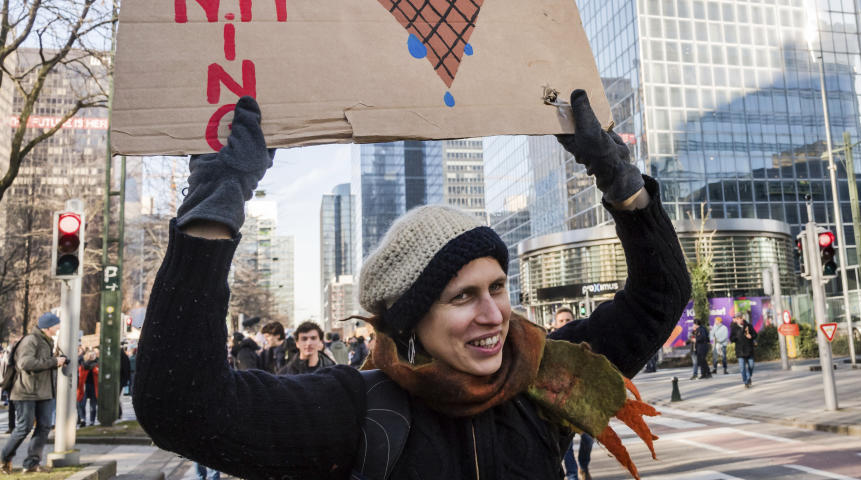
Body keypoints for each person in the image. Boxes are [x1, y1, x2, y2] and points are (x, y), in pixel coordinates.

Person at [132, 92, 690, 479]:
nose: (494, 315)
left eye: (496, 287)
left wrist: (628, 191)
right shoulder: (354, 410)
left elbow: (658, 298)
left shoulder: (544, 384)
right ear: (412, 318)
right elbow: (182, 406)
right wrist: (214, 208)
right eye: (462, 297)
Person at [1, 312, 68, 474]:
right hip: (25, 392)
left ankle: (31, 463)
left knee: (44, 426)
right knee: (24, 427)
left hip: (42, 392)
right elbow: (25, 363)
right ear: (48, 327)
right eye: (56, 325)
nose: (58, 327)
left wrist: (56, 361)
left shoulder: (45, 341)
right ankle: (4, 459)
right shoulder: (31, 340)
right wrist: (53, 362)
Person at [553, 307, 593, 480]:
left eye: (568, 320)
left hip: (583, 404)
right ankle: (572, 475)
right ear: (555, 324)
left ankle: (583, 465)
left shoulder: (583, 346)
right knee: (566, 446)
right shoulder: (548, 347)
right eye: (561, 321)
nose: (564, 324)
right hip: (560, 407)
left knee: (589, 439)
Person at [730, 312, 756, 388]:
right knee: (742, 368)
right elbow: (731, 338)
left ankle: (749, 377)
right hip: (740, 351)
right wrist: (736, 337)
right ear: (736, 320)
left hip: (749, 349)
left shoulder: (748, 326)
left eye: (740, 318)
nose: (739, 320)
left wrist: (751, 336)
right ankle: (746, 381)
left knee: (751, 365)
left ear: (742, 318)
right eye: (737, 318)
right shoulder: (734, 328)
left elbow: (755, 334)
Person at [76, 350, 99, 427]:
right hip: (84, 386)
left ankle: (92, 421)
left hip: (94, 386)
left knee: (93, 405)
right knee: (82, 404)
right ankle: (83, 419)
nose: (91, 356)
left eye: (93, 355)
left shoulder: (97, 364)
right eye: (90, 355)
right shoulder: (82, 364)